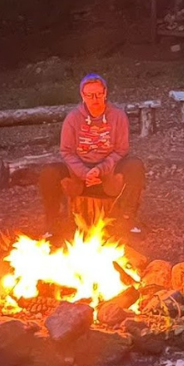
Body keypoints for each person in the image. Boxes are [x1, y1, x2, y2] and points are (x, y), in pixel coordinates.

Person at [39, 73, 146, 241]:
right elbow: (66, 151)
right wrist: (84, 172)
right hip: (79, 174)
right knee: (49, 173)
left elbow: (121, 149)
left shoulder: (118, 116)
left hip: (109, 170)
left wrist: (100, 169)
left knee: (135, 166)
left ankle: (127, 220)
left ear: (105, 93)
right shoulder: (73, 118)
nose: (95, 99)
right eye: (90, 95)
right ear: (83, 95)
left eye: (98, 94)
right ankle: (52, 224)